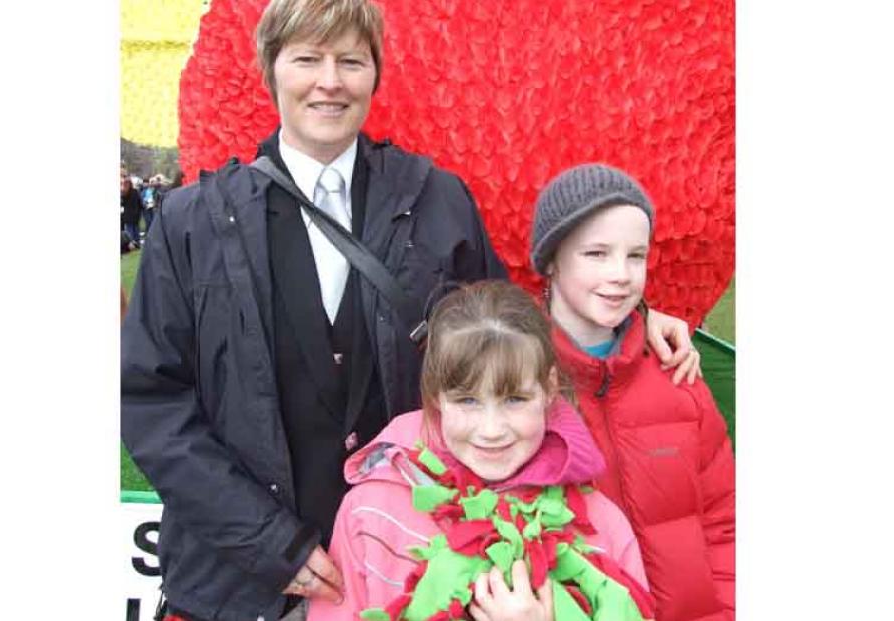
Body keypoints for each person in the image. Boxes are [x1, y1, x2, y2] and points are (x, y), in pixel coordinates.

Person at [121, 2, 699, 620]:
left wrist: (630, 320)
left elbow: (507, 340)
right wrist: (267, 542)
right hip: (238, 586)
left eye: (350, 60)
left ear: (375, 73)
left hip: (411, 570)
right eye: (308, 59)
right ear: (272, 69)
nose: (330, 80)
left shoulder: (437, 198)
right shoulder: (193, 222)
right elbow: (150, 401)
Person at [308, 281, 655, 621]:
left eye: (515, 399)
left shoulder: (598, 525)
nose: (491, 430)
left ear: (549, 388)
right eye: (468, 400)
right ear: (436, 396)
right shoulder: (370, 513)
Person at [529, 164, 735, 621]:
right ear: (551, 260)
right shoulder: (517, 386)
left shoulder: (677, 373)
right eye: (597, 253)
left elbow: (725, 519)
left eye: (635, 255)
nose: (620, 274)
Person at [120, 170, 143, 249]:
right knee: (135, 230)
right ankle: (137, 243)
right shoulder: (135, 191)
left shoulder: (125, 193)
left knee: (130, 231)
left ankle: (132, 244)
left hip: (128, 215)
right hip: (136, 214)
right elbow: (140, 203)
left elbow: (123, 202)